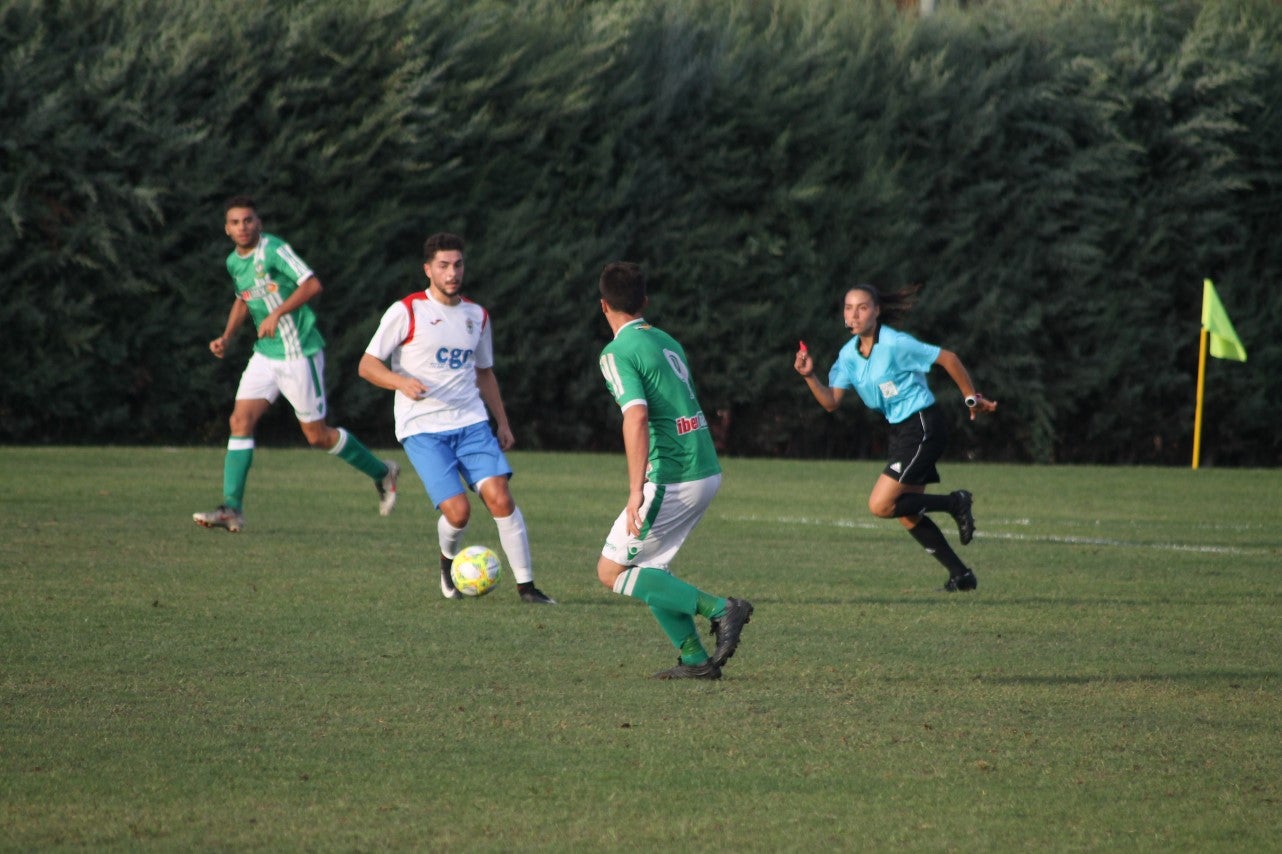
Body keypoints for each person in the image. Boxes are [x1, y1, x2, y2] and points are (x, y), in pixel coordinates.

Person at [358, 232, 555, 605]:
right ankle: (446, 567)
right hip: (422, 427)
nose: (452, 272)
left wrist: (503, 422)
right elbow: (367, 365)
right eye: (444, 266)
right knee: (459, 512)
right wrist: (400, 381)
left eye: (458, 264)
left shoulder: (476, 316)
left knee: (500, 497)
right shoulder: (408, 311)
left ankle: (527, 588)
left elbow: (484, 372)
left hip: (470, 422)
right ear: (428, 269)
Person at [194, 196, 399, 533]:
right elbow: (243, 299)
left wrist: (277, 312)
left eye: (248, 220)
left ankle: (383, 472)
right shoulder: (234, 262)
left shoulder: (273, 250)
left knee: (317, 436)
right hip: (265, 353)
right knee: (240, 420)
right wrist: (227, 337)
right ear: (227, 229)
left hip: (298, 352)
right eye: (235, 222)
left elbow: (312, 284)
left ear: (258, 223)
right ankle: (232, 507)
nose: (243, 227)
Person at [595, 261, 753, 680]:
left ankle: (721, 608)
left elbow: (636, 417)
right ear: (644, 302)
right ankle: (696, 660)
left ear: (603, 305)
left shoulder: (616, 352)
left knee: (611, 572)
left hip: (674, 475)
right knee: (651, 571)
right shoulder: (666, 340)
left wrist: (636, 492)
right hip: (703, 465)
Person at [794, 283, 998, 592]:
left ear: (876, 311)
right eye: (849, 308)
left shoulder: (894, 343)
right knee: (904, 511)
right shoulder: (848, 355)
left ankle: (956, 502)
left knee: (881, 505)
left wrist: (971, 398)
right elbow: (831, 402)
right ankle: (961, 575)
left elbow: (948, 358)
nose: (854, 314)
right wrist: (810, 376)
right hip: (901, 430)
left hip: (922, 424)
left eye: (862, 307)